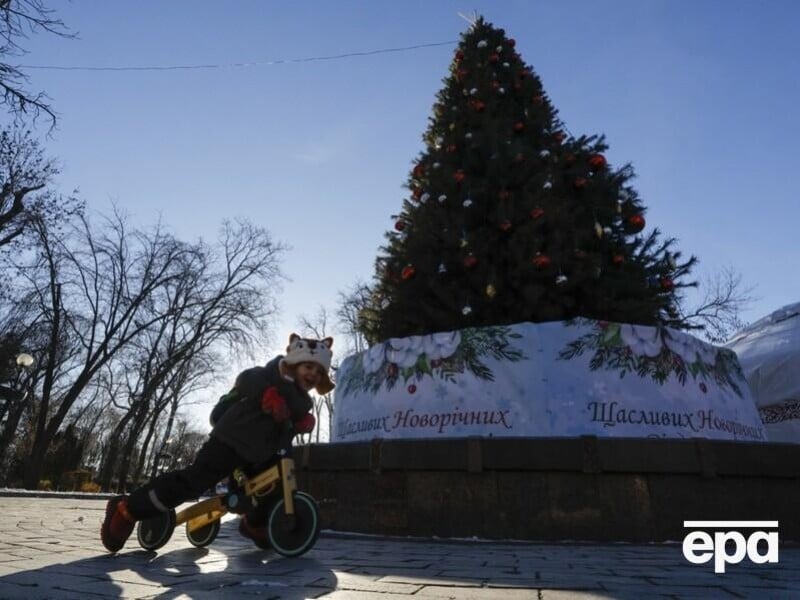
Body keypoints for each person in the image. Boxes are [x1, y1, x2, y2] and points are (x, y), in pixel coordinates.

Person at [100, 334, 334, 552]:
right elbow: (246, 379)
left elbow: (286, 428)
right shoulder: (269, 374)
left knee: (271, 485)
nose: (313, 374)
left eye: (319, 372)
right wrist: (268, 395)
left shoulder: (302, 402)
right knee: (195, 481)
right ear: (294, 364)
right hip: (230, 440)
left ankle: (256, 523)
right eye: (308, 366)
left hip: (260, 453)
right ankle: (127, 509)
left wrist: (303, 422)